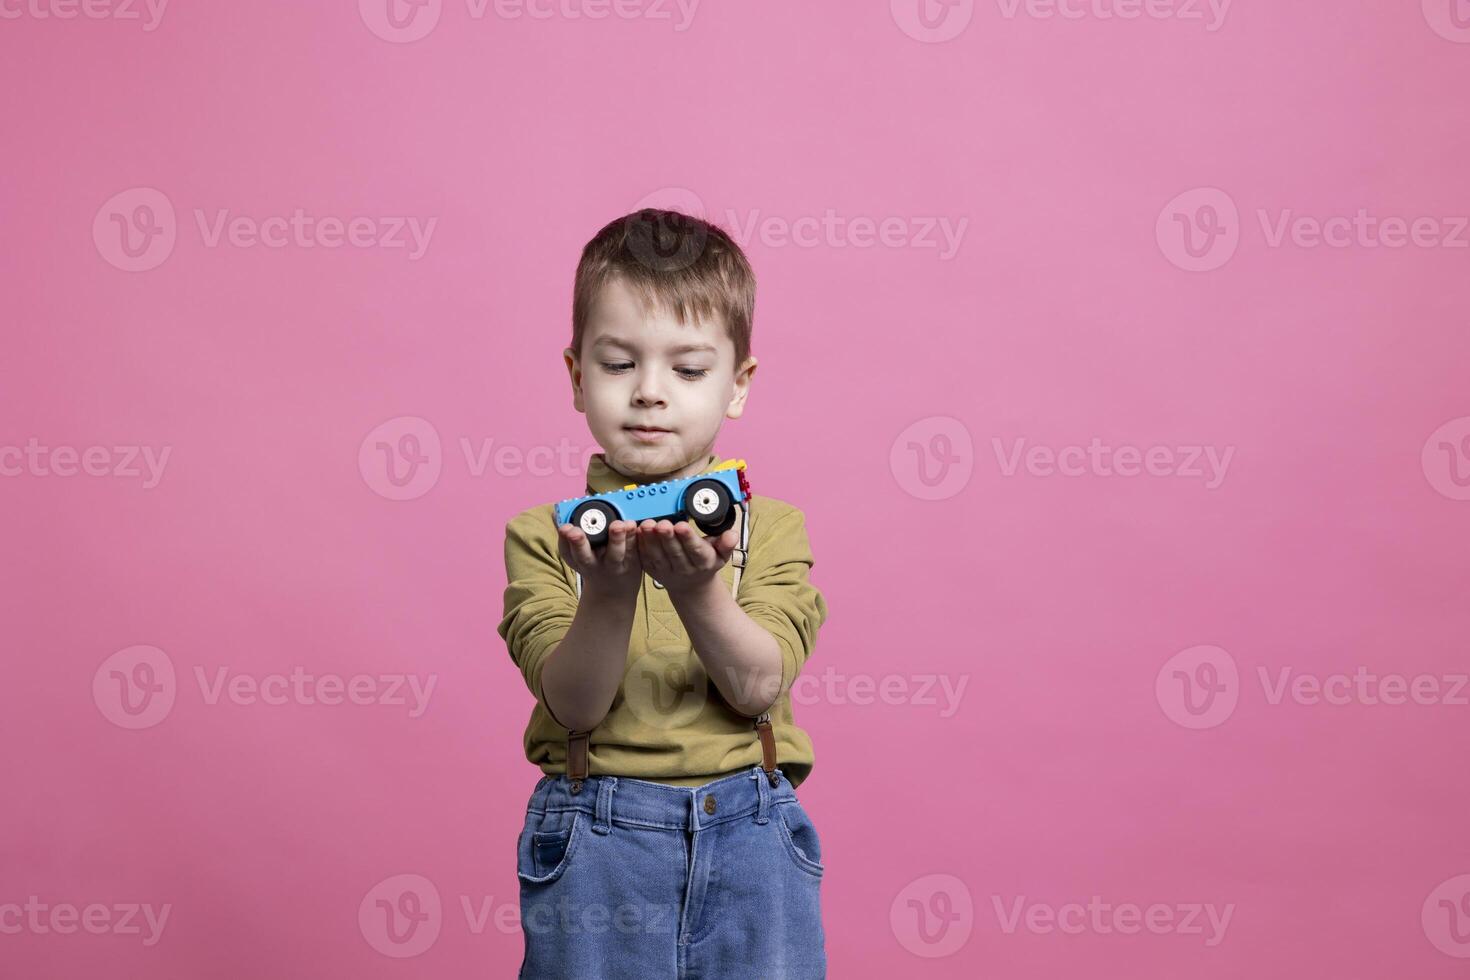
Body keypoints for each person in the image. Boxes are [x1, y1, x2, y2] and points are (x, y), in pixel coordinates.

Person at [497, 208, 831, 978]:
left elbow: (756, 686)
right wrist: (607, 596)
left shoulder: (771, 529)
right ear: (577, 377)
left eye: (686, 370)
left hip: (751, 834)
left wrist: (702, 594)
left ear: (737, 386)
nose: (650, 393)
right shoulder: (543, 535)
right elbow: (575, 707)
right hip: (597, 841)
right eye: (619, 365)